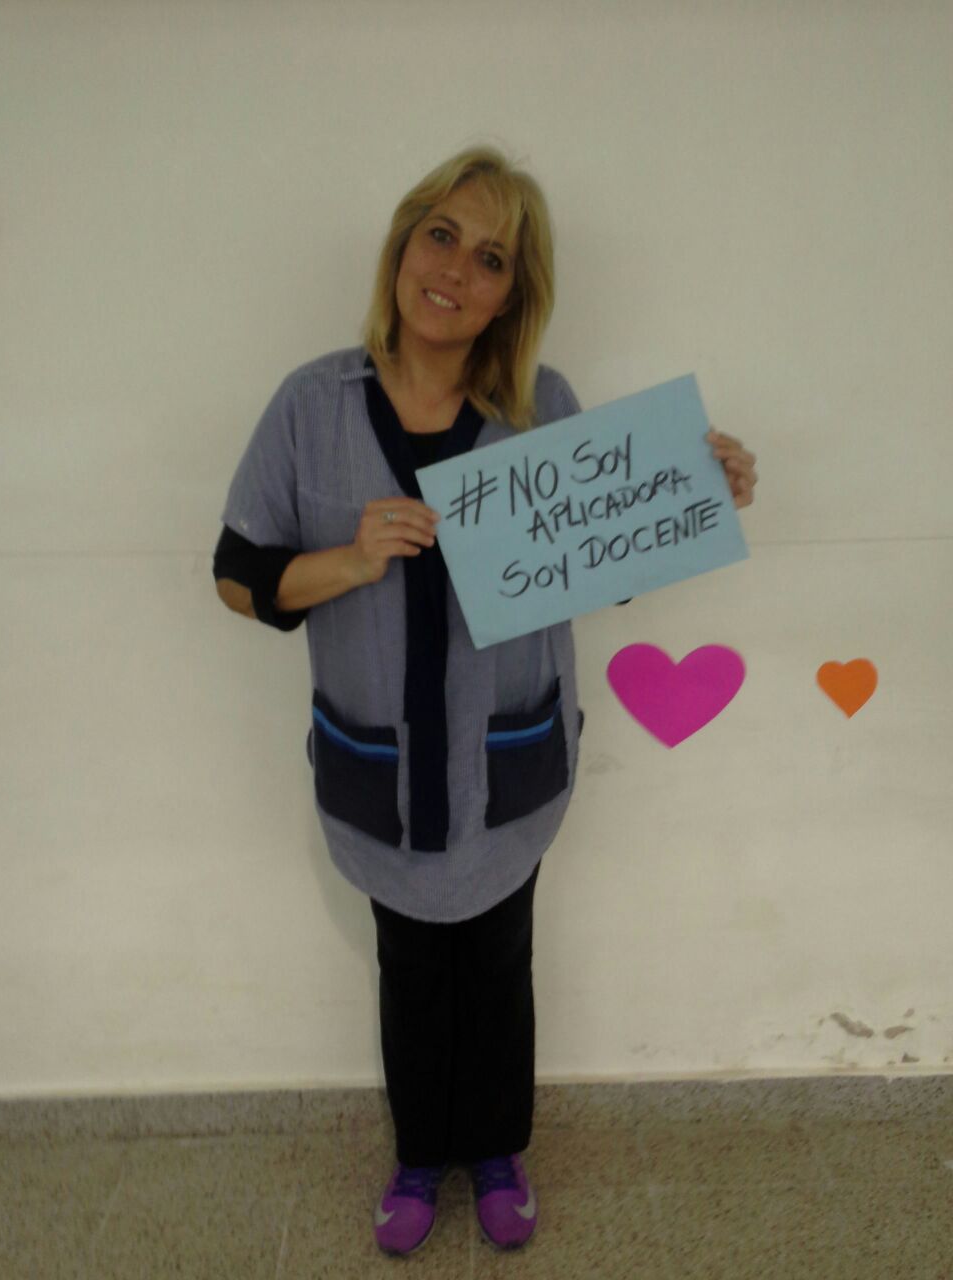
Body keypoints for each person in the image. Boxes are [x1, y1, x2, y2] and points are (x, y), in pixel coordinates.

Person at [213, 146, 758, 1257]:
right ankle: (421, 1153)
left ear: (514, 294)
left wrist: (699, 490)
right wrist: (349, 559)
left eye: (493, 256)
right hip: (381, 769)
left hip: (507, 762)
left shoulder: (540, 410)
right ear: (402, 247)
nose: (456, 270)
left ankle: (499, 1149)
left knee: (502, 962)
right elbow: (237, 574)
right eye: (442, 235)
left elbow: (603, 559)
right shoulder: (312, 405)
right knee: (410, 969)